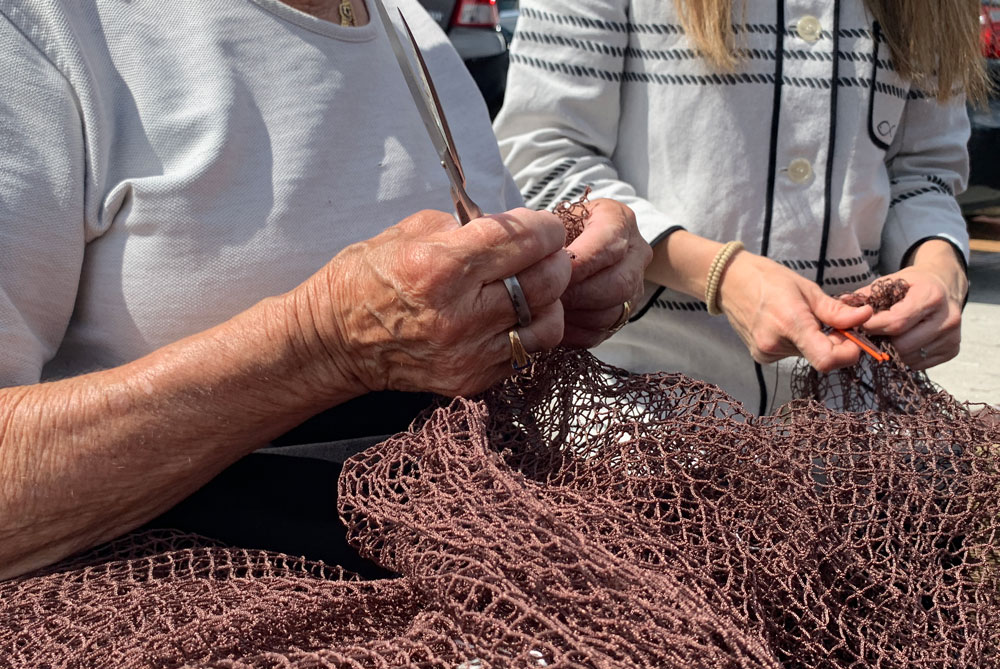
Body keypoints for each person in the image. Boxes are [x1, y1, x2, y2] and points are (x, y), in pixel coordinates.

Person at [0, 0, 652, 579]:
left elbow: (472, 296)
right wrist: (324, 344)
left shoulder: (413, 33)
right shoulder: (49, 28)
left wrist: (562, 276)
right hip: (187, 659)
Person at [493, 0, 982, 415]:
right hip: (639, 410)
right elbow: (543, 159)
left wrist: (939, 271)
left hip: (856, 430)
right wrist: (720, 276)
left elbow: (924, 172)